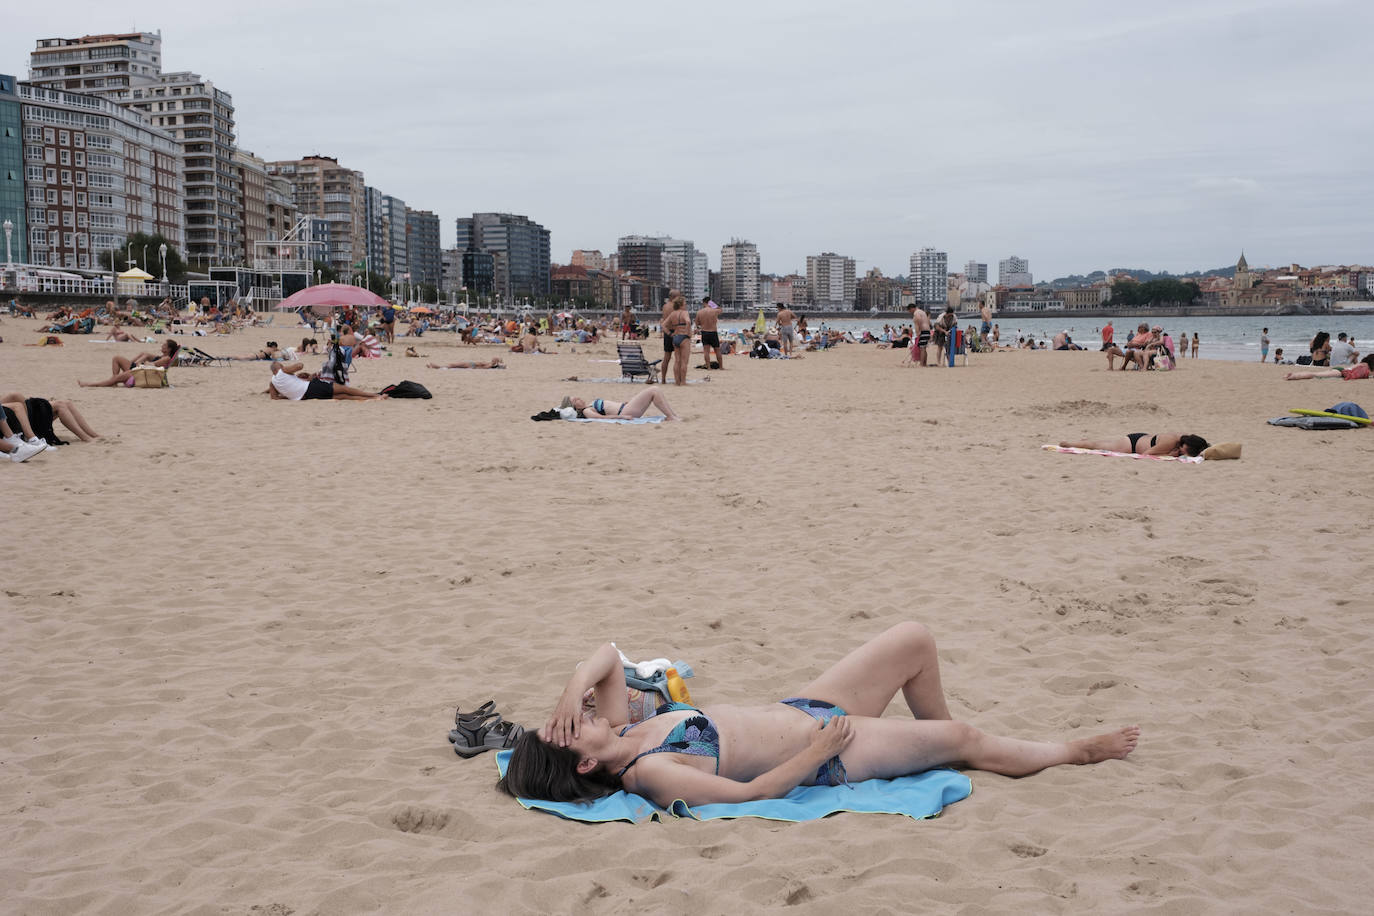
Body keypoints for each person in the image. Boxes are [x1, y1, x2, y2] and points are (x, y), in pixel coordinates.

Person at [497, 622, 1138, 807]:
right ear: (584, 759)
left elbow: (608, 654)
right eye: (574, 722)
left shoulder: (626, 726)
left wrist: (570, 687)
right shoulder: (648, 771)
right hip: (835, 750)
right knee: (964, 738)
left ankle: (935, 741)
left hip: (805, 706)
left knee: (915, 640)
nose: (583, 708)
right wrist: (820, 750)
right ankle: (1072, 751)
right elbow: (750, 792)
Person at [3, 393, 101, 443]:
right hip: (20, 419)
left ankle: (94, 435)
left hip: (23, 412)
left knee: (67, 403)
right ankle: (85, 438)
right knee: (60, 406)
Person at [78, 340, 180, 387]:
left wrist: (142, 362)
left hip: (142, 374)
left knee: (115, 378)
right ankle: (114, 381)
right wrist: (141, 358)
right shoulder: (162, 356)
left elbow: (152, 365)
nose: (162, 346)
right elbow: (147, 356)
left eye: (164, 345)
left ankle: (89, 384)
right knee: (116, 358)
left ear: (169, 349)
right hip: (139, 370)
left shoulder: (166, 358)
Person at [266, 362, 386, 400]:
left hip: (306, 396)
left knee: (343, 396)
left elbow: (274, 398)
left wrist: (289, 395)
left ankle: (372, 399)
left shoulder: (272, 382)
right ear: (279, 368)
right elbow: (300, 365)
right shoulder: (283, 371)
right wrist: (292, 370)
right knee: (345, 389)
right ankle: (376, 396)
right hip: (311, 387)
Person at [563, 388, 681, 421]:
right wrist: (621, 417)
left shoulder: (589, 406)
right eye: (575, 400)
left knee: (656, 391)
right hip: (625, 412)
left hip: (625, 407)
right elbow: (602, 418)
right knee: (654, 391)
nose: (579, 399)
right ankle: (671, 416)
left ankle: (672, 415)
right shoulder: (586, 411)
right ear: (574, 407)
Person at [1058, 432, 1210, 457]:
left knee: (1102, 443)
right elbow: (1146, 454)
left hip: (1141, 438)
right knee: (1099, 446)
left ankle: (1085, 441)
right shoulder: (1171, 442)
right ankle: (1071, 443)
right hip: (1132, 444)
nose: (1183, 453)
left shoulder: (1182, 438)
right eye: (1185, 451)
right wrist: (1169, 455)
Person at [663, 292, 692, 386]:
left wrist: (669, 334)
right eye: (685, 303)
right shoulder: (685, 312)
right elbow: (687, 321)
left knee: (677, 361)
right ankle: (683, 381)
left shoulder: (672, 313)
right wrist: (688, 332)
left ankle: (676, 382)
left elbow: (663, 325)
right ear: (681, 304)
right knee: (684, 362)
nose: (686, 304)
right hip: (684, 337)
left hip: (675, 337)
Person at [1283, 354, 1374, 381]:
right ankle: (1293, 376)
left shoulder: (1363, 364)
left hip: (1340, 370)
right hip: (1341, 372)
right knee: (1315, 374)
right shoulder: (1365, 367)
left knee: (1316, 374)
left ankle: (1294, 375)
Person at [695, 296, 724, 370]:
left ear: (703, 303)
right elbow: (721, 310)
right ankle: (721, 367)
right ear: (710, 302)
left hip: (705, 332)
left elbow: (697, 323)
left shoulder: (699, 312)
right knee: (717, 350)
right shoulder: (714, 311)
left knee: (706, 351)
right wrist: (713, 305)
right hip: (713, 332)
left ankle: (708, 367)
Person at [427, 357, 505, 369]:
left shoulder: (490, 365)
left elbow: (481, 368)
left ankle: (434, 366)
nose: (492, 358)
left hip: (471, 365)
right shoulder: (490, 364)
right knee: (452, 365)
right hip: (471, 364)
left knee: (452, 365)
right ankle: (434, 365)